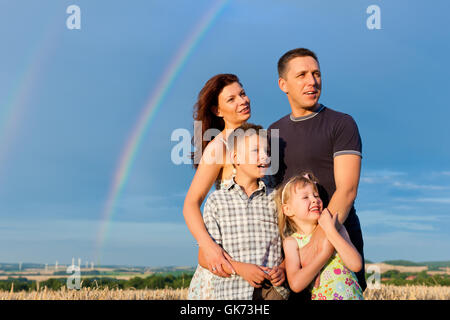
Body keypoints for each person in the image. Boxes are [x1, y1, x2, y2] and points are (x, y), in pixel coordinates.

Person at [267, 48, 367, 297]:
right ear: (283, 84)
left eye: (316, 74)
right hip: (294, 253)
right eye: (301, 75)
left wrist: (318, 243)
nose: (312, 81)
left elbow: (347, 189)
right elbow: (275, 195)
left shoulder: (341, 123)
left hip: (339, 240)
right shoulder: (273, 133)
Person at [194, 123, 289, 300]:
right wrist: (240, 268)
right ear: (236, 158)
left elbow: (292, 244)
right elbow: (204, 257)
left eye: (267, 151)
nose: (265, 156)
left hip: (274, 293)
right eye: (256, 151)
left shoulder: (276, 199)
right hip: (233, 293)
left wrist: (283, 268)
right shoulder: (217, 202)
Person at [184, 74, 251, 299]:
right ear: (217, 111)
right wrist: (210, 248)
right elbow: (191, 203)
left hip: (254, 252)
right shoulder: (219, 146)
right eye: (231, 99)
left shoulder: (257, 140)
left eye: (242, 94)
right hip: (230, 258)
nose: (242, 101)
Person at [276, 172, 364, 300]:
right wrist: (324, 253)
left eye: (316, 195)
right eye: (305, 197)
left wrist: (330, 230)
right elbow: (296, 284)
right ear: (288, 209)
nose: (314, 200)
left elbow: (356, 264)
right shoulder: (292, 242)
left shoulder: (335, 226)